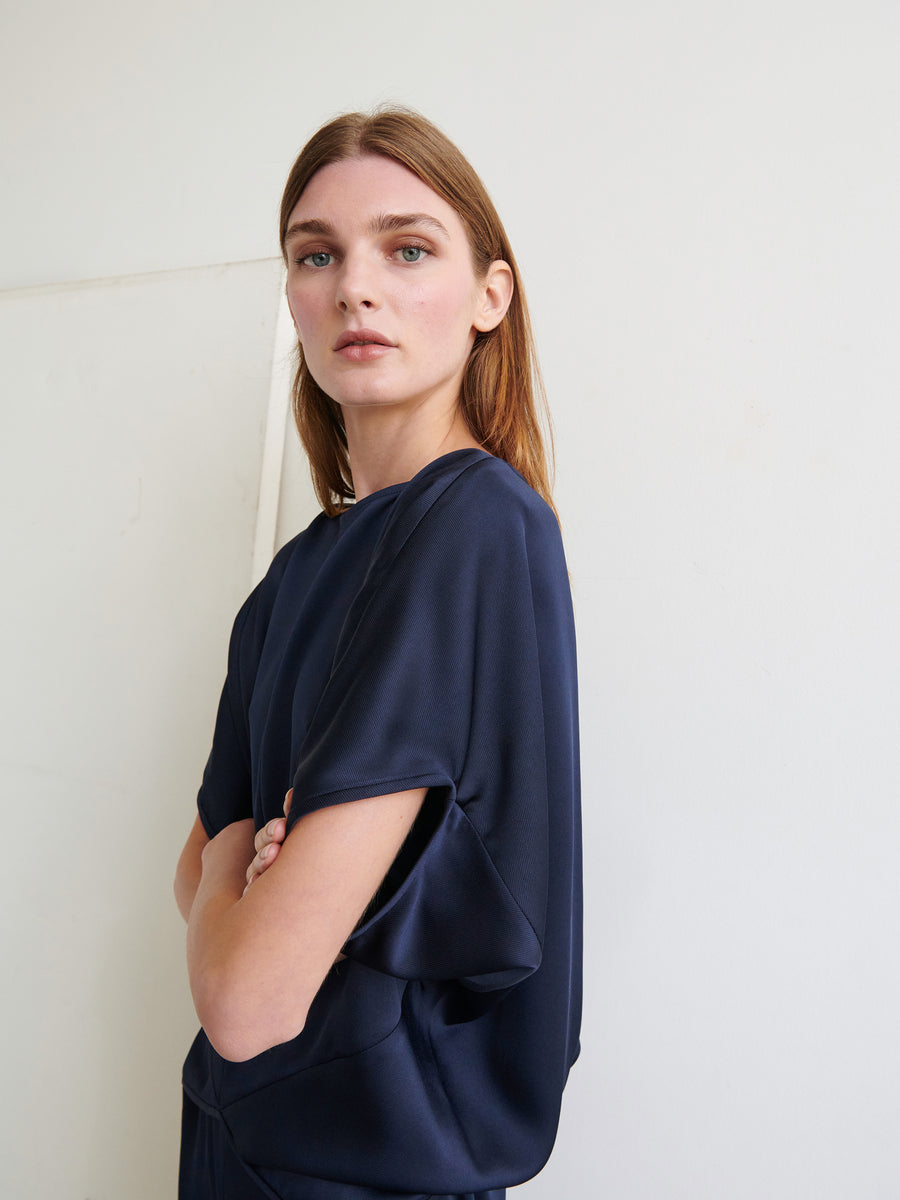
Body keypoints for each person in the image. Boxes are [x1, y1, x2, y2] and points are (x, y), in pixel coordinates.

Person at [174, 107, 582, 1200]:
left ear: (490, 295)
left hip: (368, 1169)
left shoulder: (477, 525)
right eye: (318, 254)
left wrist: (259, 877)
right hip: (233, 1145)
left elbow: (247, 998)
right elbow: (199, 866)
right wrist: (243, 863)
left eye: (408, 248)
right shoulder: (291, 579)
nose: (356, 286)